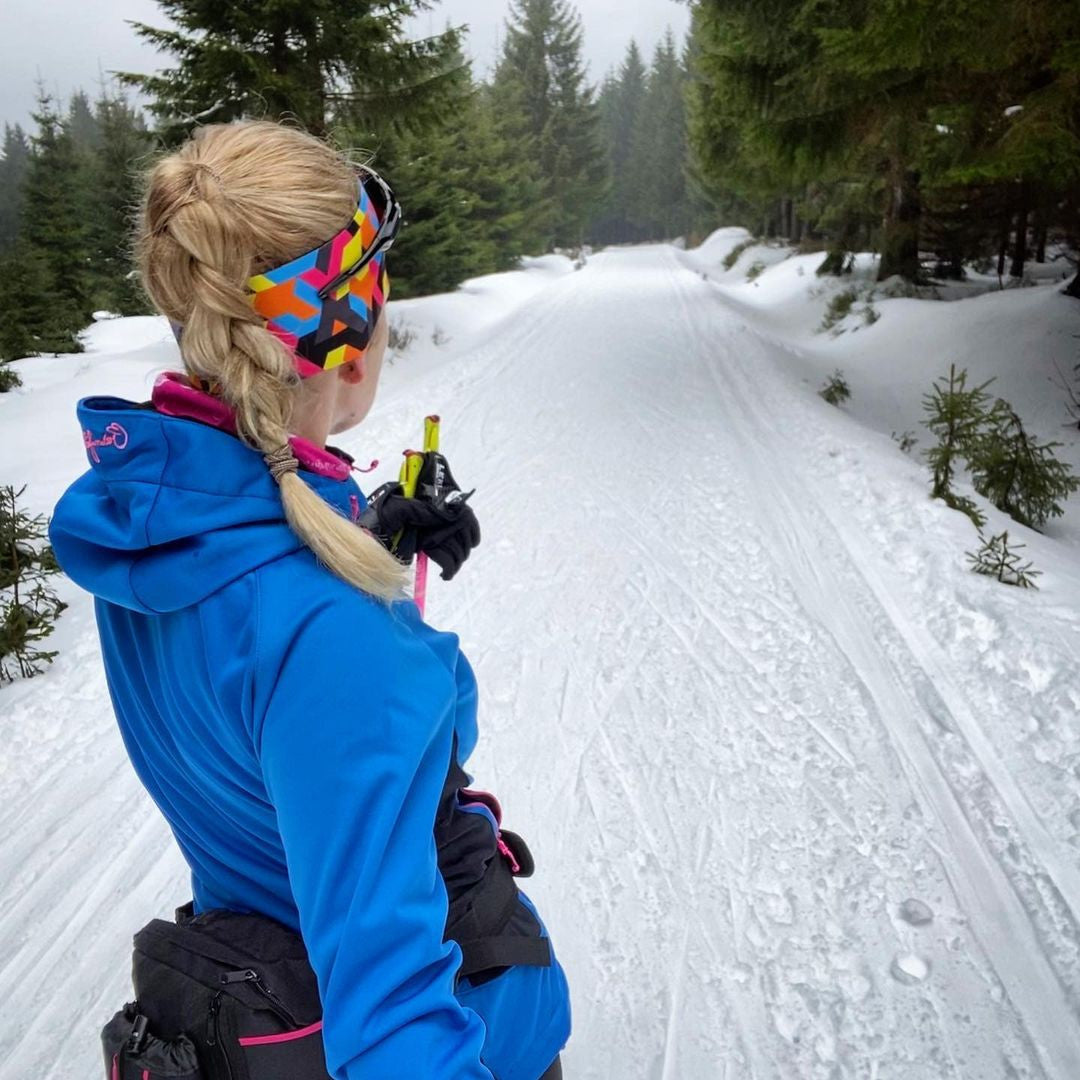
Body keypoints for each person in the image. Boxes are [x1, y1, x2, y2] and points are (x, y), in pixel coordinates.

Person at [50, 120, 571, 1080]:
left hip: (260, 980)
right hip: (471, 1023)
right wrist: (365, 615)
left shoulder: (157, 530)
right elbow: (395, 1031)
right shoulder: (337, 640)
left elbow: (258, 674)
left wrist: (365, 539)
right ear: (351, 339)